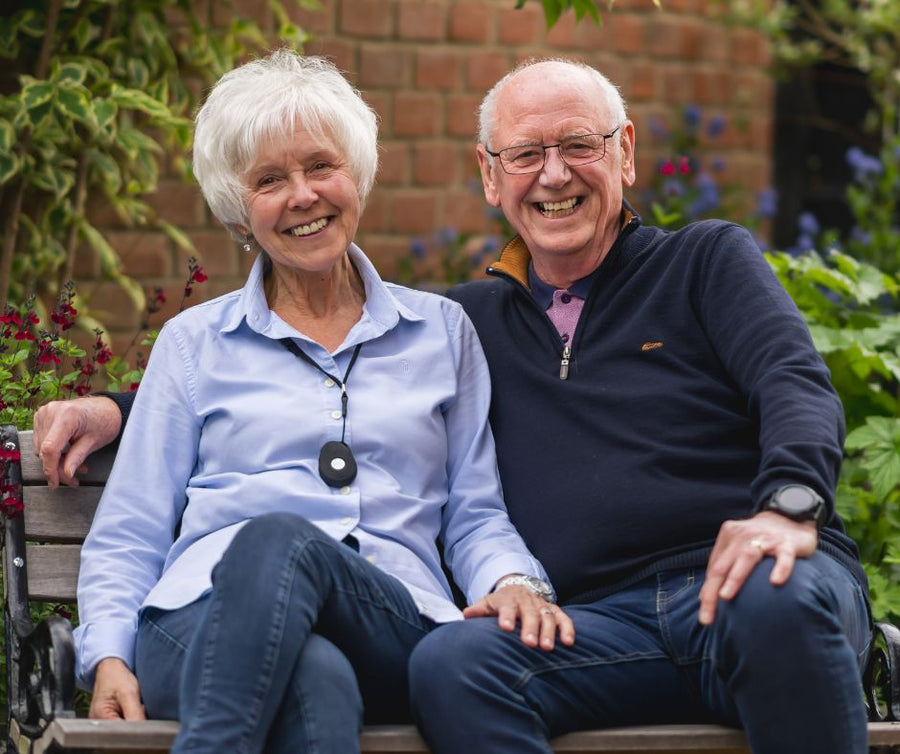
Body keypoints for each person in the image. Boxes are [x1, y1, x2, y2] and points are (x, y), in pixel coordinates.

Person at [35, 58, 871, 754]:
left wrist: (789, 506)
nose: (552, 174)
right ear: (489, 175)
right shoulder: (472, 319)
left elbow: (795, 385)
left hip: (742, 583)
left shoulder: (691, 266)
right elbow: (282, 377)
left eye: (577, 145)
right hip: (601, 625)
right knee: (451, 665)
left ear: (624, 155)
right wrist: (122, 407)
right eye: (524, 154)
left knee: (772, 595)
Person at [52, 49, 573, 754]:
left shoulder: (441, 334)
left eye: (320, 167)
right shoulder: (193, 344)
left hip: (389, 617)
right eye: (270, 179)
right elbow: (131, 531)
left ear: (355, 175)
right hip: (197, 623)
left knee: (279, 538)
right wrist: (107, 655)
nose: (303, 195)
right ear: (240, 209)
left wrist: (514, 582)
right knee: (314, 678)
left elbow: (474, 510)